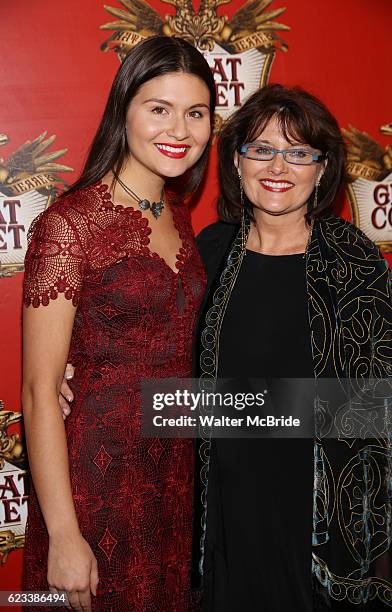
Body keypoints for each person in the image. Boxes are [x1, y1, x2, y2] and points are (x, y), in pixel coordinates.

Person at [22, 35, 215, 612]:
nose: (179, 129)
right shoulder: (69, 227)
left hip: (171, 482)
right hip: (94, 487)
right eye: (159, 109)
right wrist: (63, 534)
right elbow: (38, 390)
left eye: (196, 113)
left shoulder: (179, 217)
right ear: (123, 111)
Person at [191, 84, 392, 610]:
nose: (278, 166)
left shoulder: (352, 260)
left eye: (299, 152)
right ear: (236, 162)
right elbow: (167, 366)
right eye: (261, 148)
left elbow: (373, 407)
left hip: (317, 519)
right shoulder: (209, 252)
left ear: (322, 169)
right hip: (225, 511)